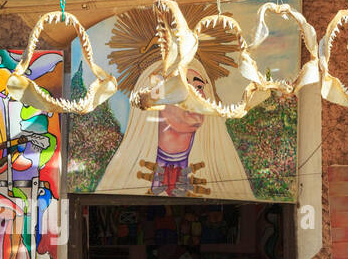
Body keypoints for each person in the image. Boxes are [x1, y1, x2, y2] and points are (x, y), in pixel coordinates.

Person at [98, 63, 255, 200]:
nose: (194, 95)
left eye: (199, 86)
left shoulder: (222, 165)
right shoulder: (127, 168)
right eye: (180, 87)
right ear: (155, 102)